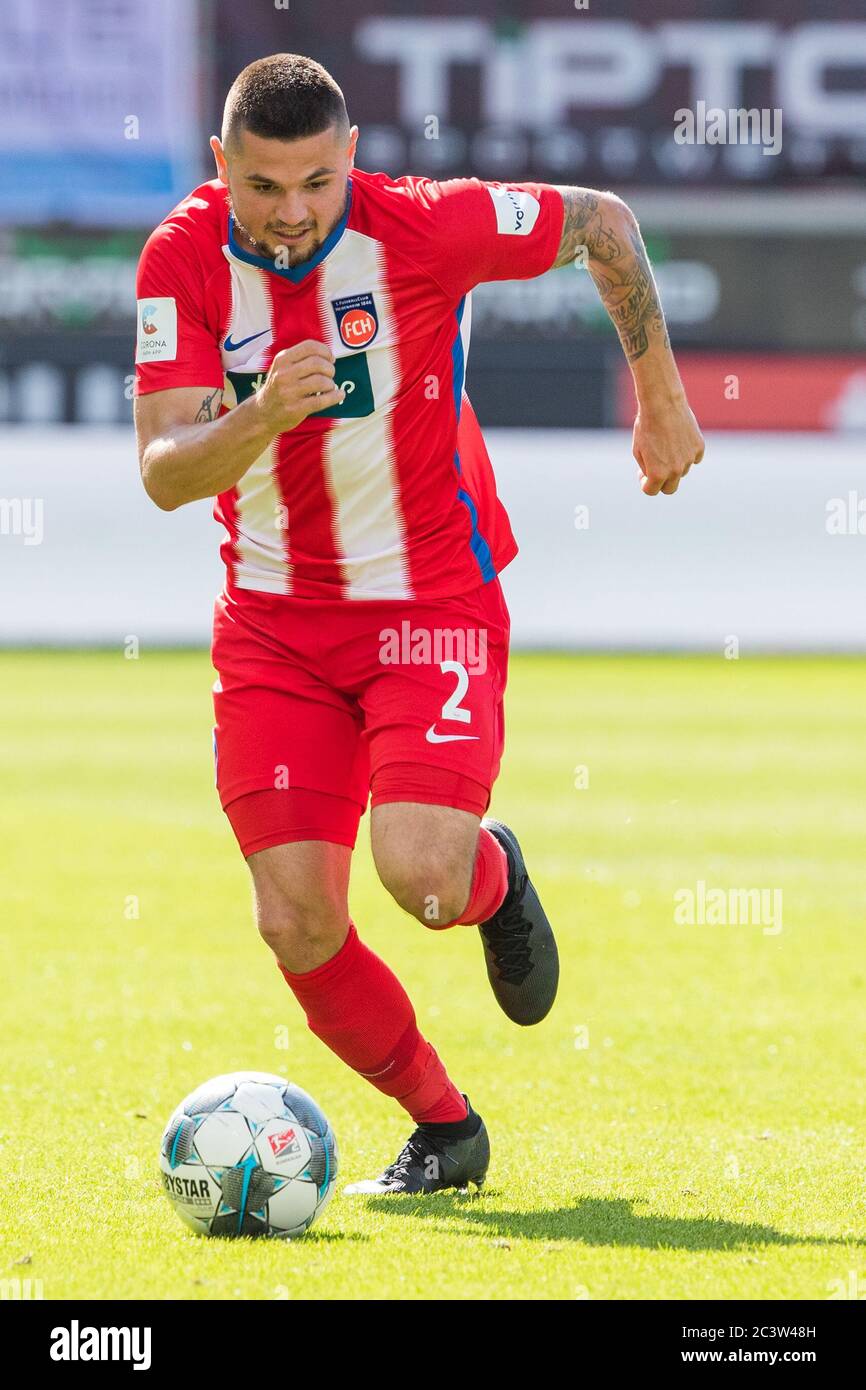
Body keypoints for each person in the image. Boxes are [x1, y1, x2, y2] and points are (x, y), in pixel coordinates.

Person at [133, 54, 704, 1197]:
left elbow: (603, 222)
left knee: (424, 879)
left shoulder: (425, 229)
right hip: (273, 627)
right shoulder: (180, 257)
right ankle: (444, 1130)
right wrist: (262, 413)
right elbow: (162, 469)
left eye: (312, 182)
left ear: (348, 157)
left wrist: (660, 394)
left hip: (427, 603)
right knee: (294, 919)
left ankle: (493, 875)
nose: (290, 213)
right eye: (261, 186)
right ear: (220, 168)